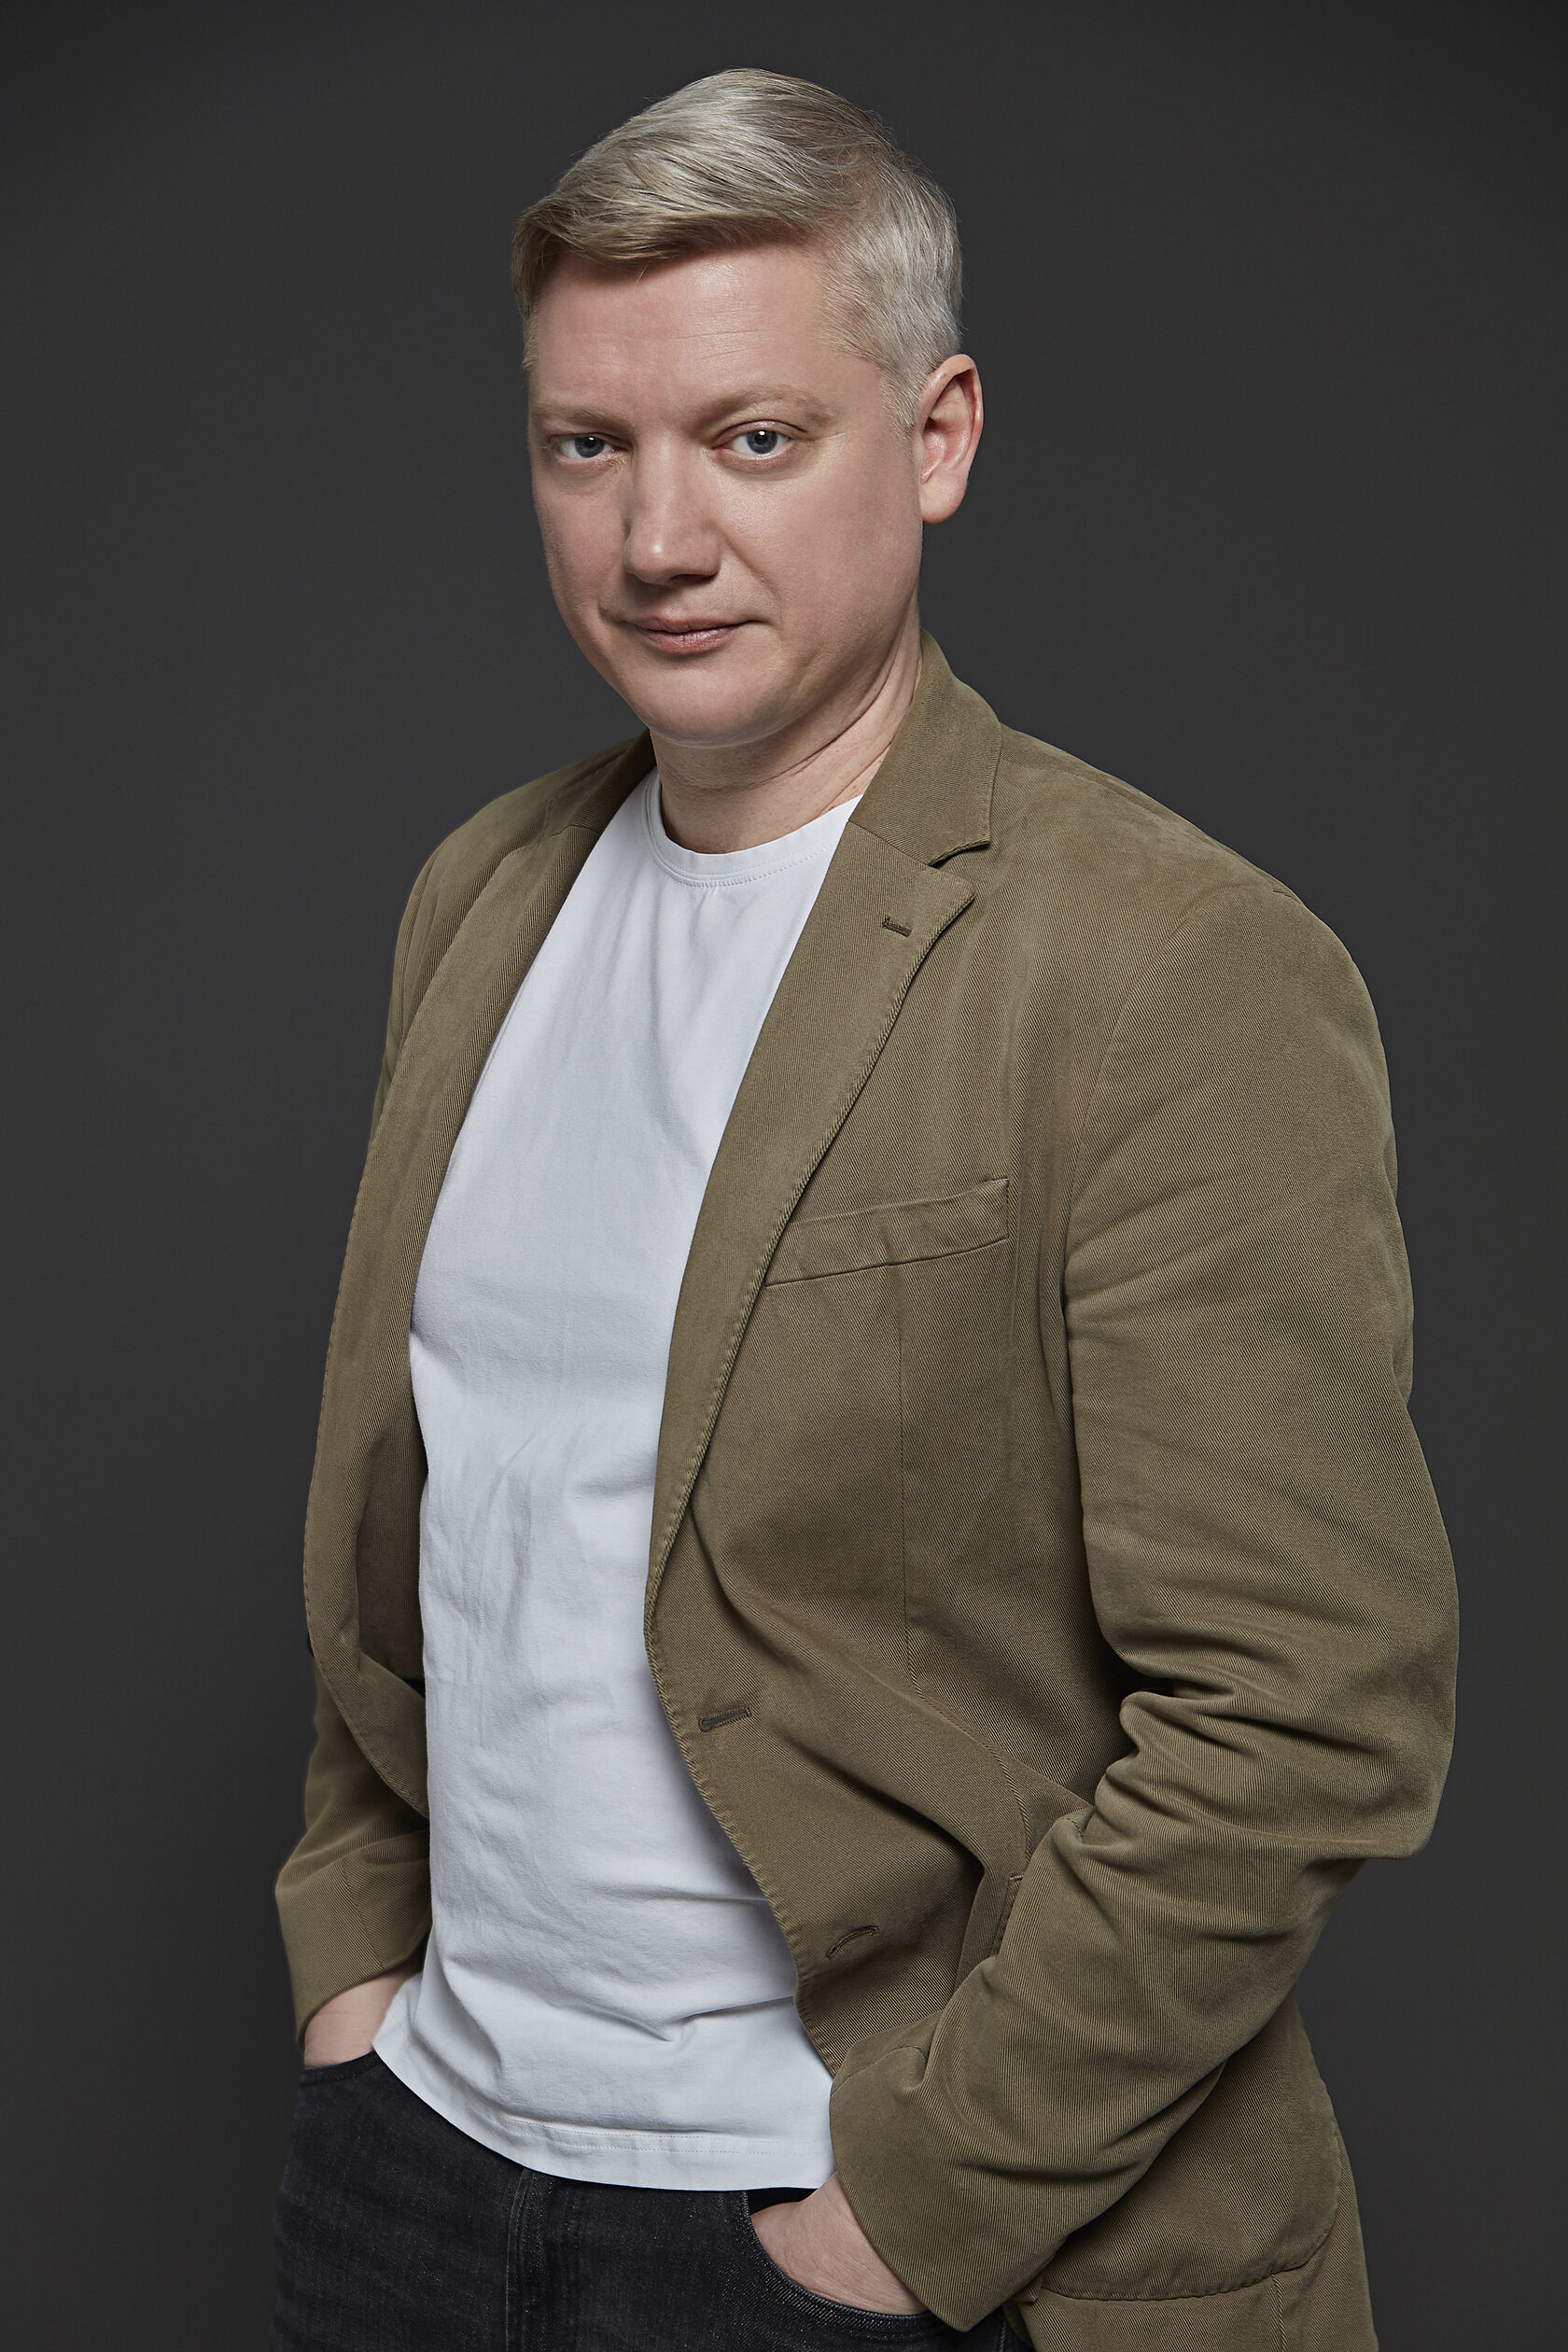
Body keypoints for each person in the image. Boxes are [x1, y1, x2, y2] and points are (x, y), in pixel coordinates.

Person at [271, 67, 1457, 2352]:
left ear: (937, 438)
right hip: (423, 2177)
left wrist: (899, 2219)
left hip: (860, 2225)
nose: (658, 537)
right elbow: (442, 1517)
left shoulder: (1167, 963)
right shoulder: (480, 899)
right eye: (587, 445)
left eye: (753, 437)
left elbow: (1313, 1704)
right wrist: (353, 1970)